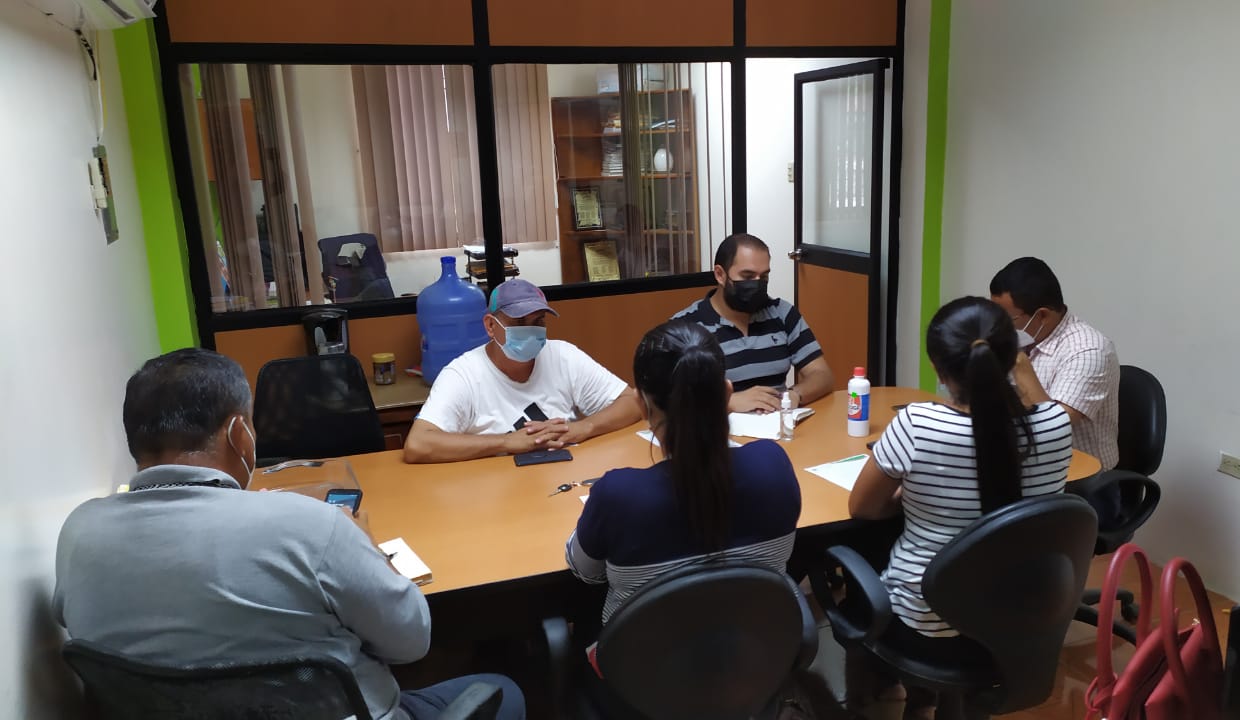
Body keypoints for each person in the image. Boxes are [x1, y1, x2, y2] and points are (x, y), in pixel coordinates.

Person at [53, 349, 525, 720]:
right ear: (240, 433)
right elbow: (410, 641)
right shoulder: (311, 526)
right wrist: (363, 550)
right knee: (505, 692)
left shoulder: (79, 533)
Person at [844, 297, 1072, 717]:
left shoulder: (917, 425)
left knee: (859, 545)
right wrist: (1020, 367)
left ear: (938, 368)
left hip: (927, 628)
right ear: (1014, 357)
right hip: (1018, 624)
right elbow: (1039, 409)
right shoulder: (1056, 425)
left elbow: (863, 508)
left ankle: (878, 696)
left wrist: (913, 498)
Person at [565, 320, 802, 624]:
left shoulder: (617, 495)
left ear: (641, 406)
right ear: (727, 394)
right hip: (761, 646)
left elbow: (584, 571)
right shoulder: (773, 465)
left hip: (647, 654)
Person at [404, 279, 641, 463]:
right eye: (519, 323)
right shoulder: (462, 375)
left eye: (538, 322)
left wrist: (582, 428)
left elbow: (631, 402)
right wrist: (506, 442)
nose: (530, 331)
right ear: (490, 325)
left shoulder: (563, 355)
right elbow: (418, 444)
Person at [672, 233, 834, 413]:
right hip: (719, 427)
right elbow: (665, 398)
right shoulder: (685, 328)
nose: (757, 285)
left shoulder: (782, 313)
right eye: (747, 276)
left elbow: (822, 375)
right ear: (720, 275)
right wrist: (728, 402)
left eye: (763, 277)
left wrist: (794, 395)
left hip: (776, 422)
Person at [989, 257, 1120, 470]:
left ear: (1042, 315)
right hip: (1026, 464)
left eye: (1006, 319)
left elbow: (1053, 429)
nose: (998, 326)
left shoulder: (1088, 350)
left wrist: (1018, 362)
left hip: (1080, 478)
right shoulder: (1024, 339)